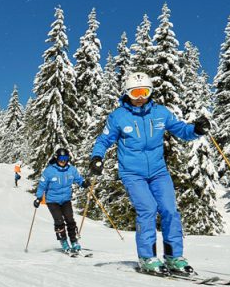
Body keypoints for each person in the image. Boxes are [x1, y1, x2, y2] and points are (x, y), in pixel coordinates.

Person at [88, 72, 209, 275]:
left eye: (144, 92)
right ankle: (147, 258)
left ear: (150, 92)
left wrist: (196, 129)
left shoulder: (161, 113)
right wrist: (97, 157)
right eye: (135, 93)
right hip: (132, 174)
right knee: (148, 209)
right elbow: (104, 140)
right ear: (127, 94)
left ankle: (173, 257)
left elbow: (180, 130)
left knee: (170, 210)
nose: (140, 97)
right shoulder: (118, 116)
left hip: (158, 172)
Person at [34, 148, 88, 254]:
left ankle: (74, 241)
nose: (63, 161)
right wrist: (38, 198)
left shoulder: (71, 169)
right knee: (59, 221)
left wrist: (83, 183)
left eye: (65, 158)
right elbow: (42, 185)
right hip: (52, 201)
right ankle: (64, 241)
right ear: (56, 158)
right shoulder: (49, 171)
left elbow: (78, 179)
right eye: (61, 158)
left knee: (70, 220)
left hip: (66, 200)